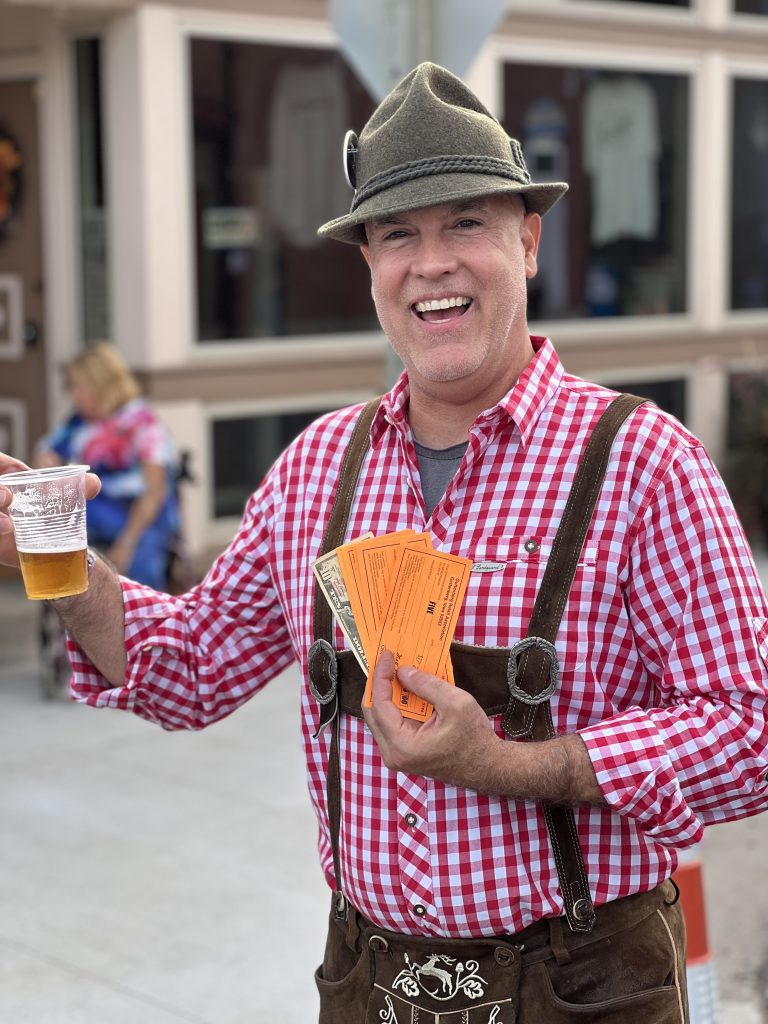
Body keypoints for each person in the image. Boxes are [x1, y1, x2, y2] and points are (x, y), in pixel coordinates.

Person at [1, 62, 767, 1021]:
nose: (431, 262)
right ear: (369, 264)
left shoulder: (644, 462)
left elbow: (750, 729)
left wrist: (511, 763)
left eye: (466, 224)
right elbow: (187, 668)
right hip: (367, 985)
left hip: (590, 986)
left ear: (528, 242)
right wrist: (61, 563)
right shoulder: (317, 467)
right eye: (398, 233)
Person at [34, 342, 180, 590]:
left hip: (138, 518)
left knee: (138, 569)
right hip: (93, 518)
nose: (74, 394)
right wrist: (46, 463)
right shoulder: (78, 423)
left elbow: (154, 493)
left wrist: (127, 543)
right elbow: (46, 454)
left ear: (99, 384)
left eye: (78, 386)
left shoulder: (141, 422)